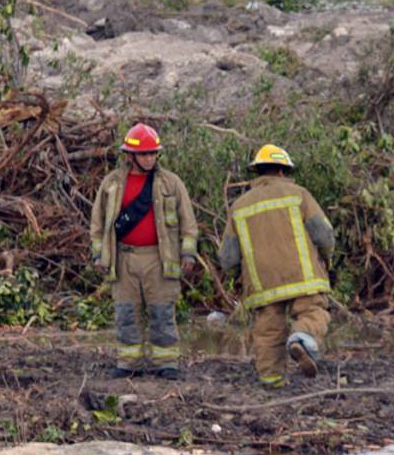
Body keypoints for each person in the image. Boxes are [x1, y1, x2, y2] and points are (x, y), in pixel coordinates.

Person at [219, 145, 335, 388]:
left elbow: (227, 257)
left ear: (257, 172)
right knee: (313, 312)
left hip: (262, 284)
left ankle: (271, 380)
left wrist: (239, 274)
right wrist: (327, 258)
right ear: (283, 171)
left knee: (267, 331)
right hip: (302, 276)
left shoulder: (239, 205)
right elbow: (324, 235)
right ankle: (302, 337)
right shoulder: (298, 194)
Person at [90, 123, 198, 380]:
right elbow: (97, 223)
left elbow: (189, 223)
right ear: (130, 155)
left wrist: (188, 254)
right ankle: (129, 362)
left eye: (153, 153)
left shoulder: (171, 183)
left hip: (159, 259)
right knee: (126, 313)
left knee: (162, 312)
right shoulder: (112, 184)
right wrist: (99, 256)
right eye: (145, 154)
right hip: (124, 258)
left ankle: (167, 362)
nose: (150, 158)